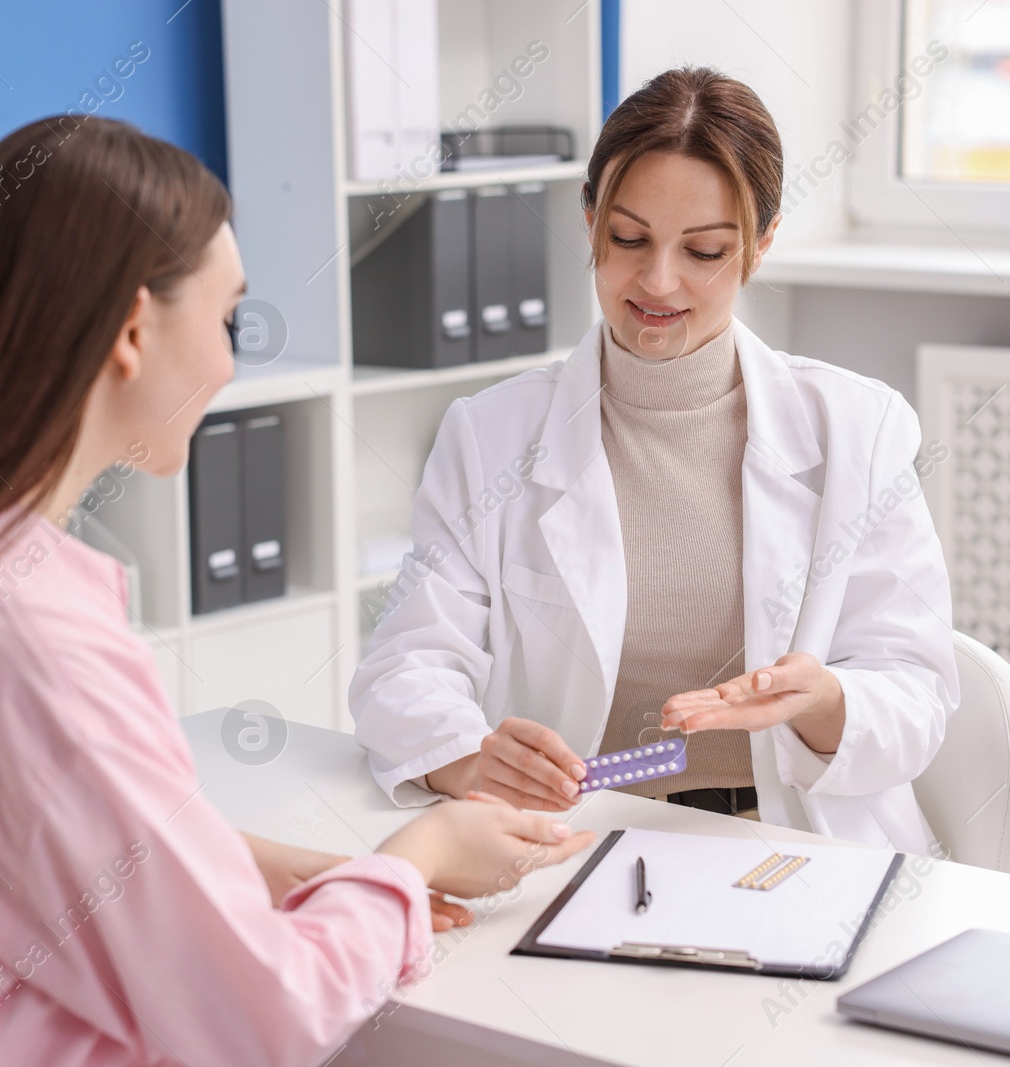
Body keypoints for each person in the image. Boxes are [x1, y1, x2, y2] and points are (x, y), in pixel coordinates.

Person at [0, 117, 594, 1067]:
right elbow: (263, 1020)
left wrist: (296, 872)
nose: (230, 364)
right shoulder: (29, 643)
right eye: (227, 318)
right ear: (132, 328)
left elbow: (43, 852)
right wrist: (421, 855)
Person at [351, 67, 960, 854]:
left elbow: (917, 694)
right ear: (591, 219)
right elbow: (402, 668)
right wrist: (470, 759)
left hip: (790, 840)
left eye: (703, 250)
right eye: (628, 238)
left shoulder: (857, 430)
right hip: (577, 837)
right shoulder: (491, 435)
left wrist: (824, 698)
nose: (658, 281)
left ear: (761, 244)